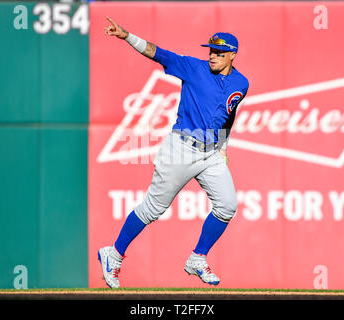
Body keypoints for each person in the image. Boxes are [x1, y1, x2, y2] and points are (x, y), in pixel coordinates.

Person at [98, 16, 249, 288]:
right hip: (182, 147)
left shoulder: (241, 83)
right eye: (211, 50)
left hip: (212, 153)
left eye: (220, 52)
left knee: (227, 206)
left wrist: (223, 147)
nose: (213, 55)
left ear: (232, 55)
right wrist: (127, 35)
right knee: (153, 209)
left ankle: (197, 258)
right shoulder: (193, 67)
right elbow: (158, 53)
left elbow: (228, 117)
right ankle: (114, 254)